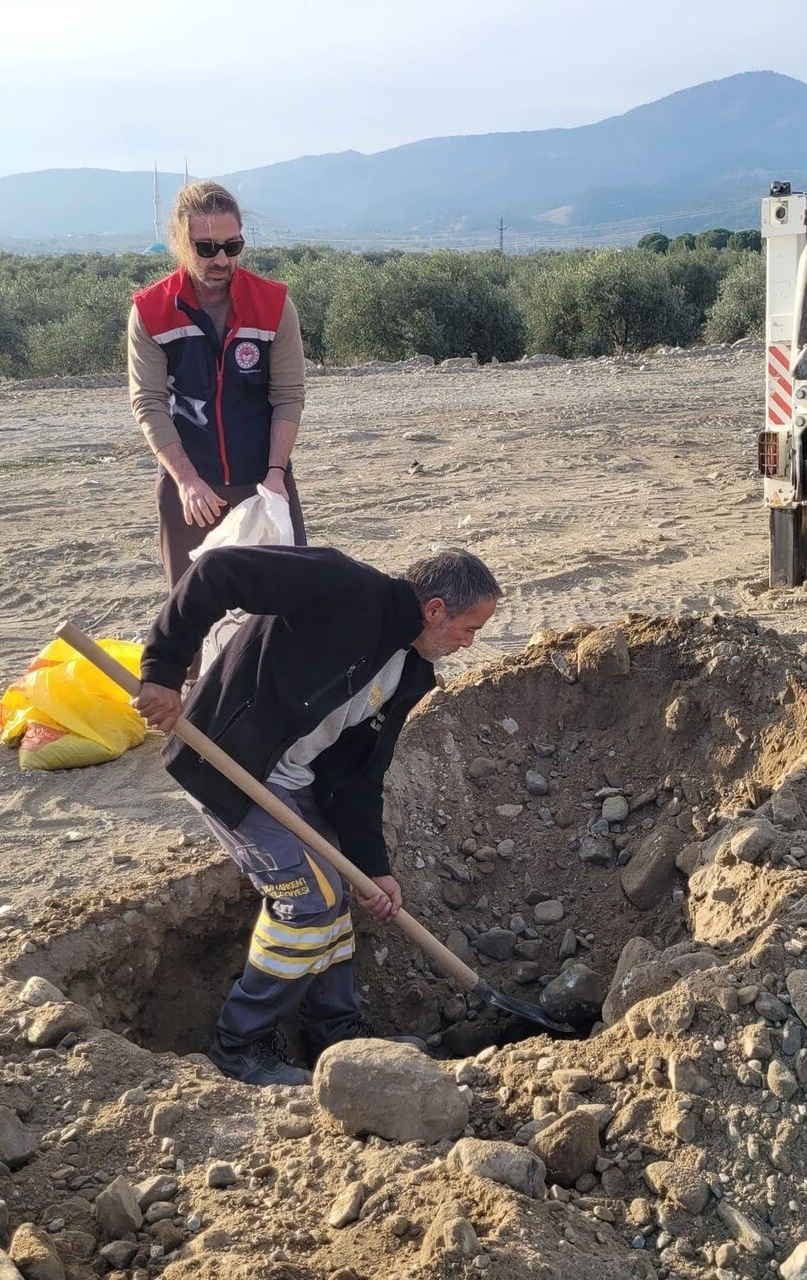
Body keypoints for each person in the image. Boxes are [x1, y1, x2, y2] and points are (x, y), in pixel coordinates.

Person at [133, 545, 502, 1086]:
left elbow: (358, 777)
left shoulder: (410, 671)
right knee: (309, 899)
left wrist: (372, 866)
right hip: (227, 761)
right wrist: (162, 670)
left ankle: (336, 1035)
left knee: (339, 891)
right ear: (435, 610)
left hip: (293, 779)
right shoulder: (341, 586)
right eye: (470, 629)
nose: (469, 643)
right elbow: (217, 571)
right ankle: (239, 1043)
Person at [127, 180, 307, 590]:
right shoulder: (151, 311)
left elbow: (288, 396)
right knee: (193, 615)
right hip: (192, 487)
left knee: (284, 605)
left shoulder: (275, 304)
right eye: (206, 248)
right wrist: (186, 480)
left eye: (232, 246)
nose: (221, 259)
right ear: (179, 242)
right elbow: (149, 401)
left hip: (264, 477)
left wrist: (276, 473)